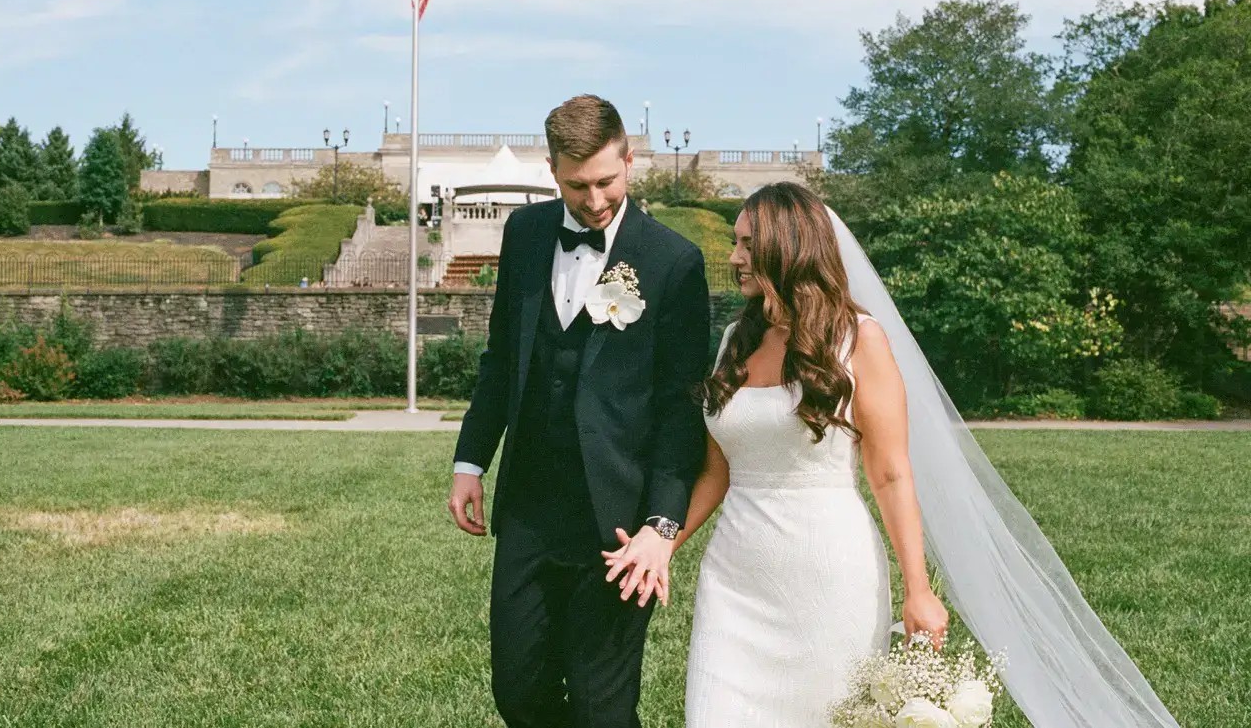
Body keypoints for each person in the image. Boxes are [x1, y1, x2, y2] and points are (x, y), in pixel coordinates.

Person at [606, 181, 1183, 728]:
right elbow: (718, 469)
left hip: (829, 576)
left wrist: (920, 589)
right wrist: (664, 545)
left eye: (748, 244)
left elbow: (890, 472)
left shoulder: (860, 340)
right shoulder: (736, 340)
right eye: (736, 242)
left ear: (790, 247)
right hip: (734, 580)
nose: (734, 257)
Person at [447, 93, 711, 727]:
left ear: (630, 158)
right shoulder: (525, 233)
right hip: (530, 509)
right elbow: (501, 357)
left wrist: (661, 528)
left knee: (602, 705)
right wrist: (469, 460)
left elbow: (682, 414)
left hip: (617, 526)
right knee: (517, 690)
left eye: (606, 181)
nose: (593, 201)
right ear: (551, 170)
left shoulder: (673, 262)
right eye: (576, 186)